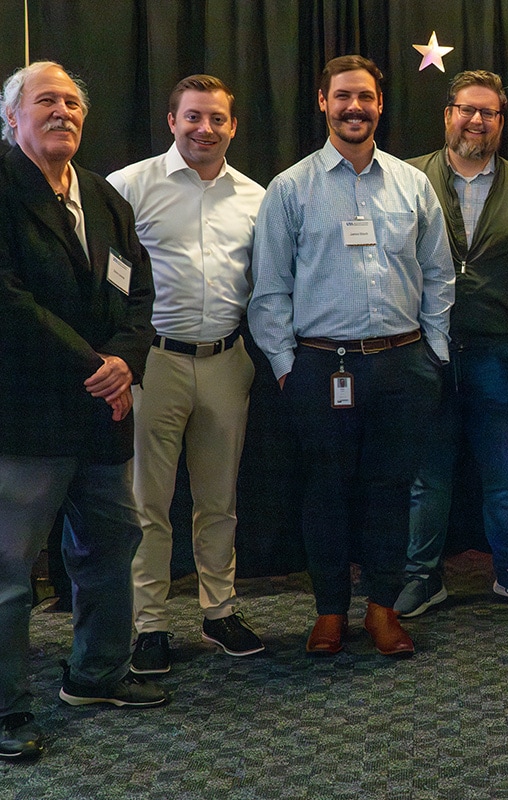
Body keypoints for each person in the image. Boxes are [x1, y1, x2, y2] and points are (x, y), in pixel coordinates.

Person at [247, 55, 454, 657]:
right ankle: (330, 611)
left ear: (380, 105)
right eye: (342, 97)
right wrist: (287, 365)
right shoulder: (291, 187)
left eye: (365, 97)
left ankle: (383, 609)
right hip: (320, 366)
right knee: (326, 492)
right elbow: (269, 288)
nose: (354, 107)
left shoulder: (413, 185)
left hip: (402, 364)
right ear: (322, 103)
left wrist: (434, 352)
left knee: (392, 490)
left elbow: (439, 275)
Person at [1, 61, 168, 762]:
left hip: (104, 415)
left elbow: (139, 294)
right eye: (46, 101)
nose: (63, 111)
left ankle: (96, 675)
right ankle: (7, 711)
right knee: (10, 574)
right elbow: (8, 300)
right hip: (27, 418)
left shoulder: (103, 197)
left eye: (72, 101)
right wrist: (92, 366)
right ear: (11, 118)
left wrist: (126, 359)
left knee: (110, 547)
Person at [108, 74, 267, 675]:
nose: (206, 129)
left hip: (227, 361)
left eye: (217, 119)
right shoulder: (129, 187)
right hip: (154, 364)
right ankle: (148, 623)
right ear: (172, 121)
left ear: (233, 126)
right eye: (193, 117)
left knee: (219, 499)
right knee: (148, 502)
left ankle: (219, 610)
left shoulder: (256, 197)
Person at [405, 70, 508, 616]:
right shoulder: (407, 177)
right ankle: (422, 576)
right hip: (426, 348)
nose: (477, 121)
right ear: (448, 115)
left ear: (500, 122)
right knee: (427, 475)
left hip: (500, 350)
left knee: (506, 473)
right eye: (467, 109)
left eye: (488, 113)